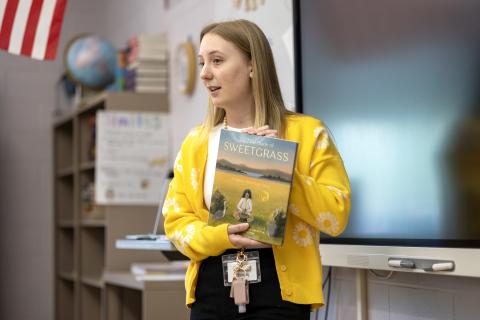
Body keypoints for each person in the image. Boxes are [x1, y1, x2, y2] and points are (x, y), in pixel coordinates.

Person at [163, 19, 351, 320]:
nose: (204, 73)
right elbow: (176, 224)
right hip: (211, 292)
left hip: (281, 296)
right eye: (202, 62)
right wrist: (223, 236)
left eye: (217, 60)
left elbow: (336, 216)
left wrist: (280, 170)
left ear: (253, 66)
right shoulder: (196, 143)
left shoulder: (308, 132)